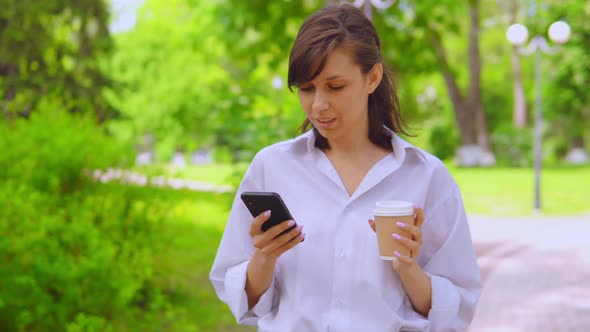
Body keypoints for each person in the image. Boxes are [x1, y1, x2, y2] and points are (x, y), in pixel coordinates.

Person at [210, 4, 482, 331]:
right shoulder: (272, 167)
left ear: (373, 78)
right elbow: (240, 298)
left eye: (335, 86)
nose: (318, 105)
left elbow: (456, 312)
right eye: (306, 89)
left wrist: (409, 268)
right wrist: (264, 258)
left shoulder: (425, 176)